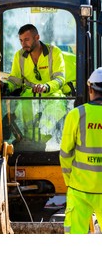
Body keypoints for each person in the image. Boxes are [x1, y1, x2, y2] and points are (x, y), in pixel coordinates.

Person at [1, 24, 66, 144]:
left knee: (55, 110)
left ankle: (44, 144)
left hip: (52, 95)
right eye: (21, 40)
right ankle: (30, 146)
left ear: (37, 37)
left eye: (26, 40)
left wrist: (46, 87)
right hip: (29, 97)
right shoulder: (19, 56)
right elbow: (15, 80)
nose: (23, 44)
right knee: (21, 114)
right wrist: (5, 86)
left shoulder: (54, 52)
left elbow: (60, 79)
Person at [60, 68, 102, 234]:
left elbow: (65, 154)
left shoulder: (77, 114)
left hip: (80, 190)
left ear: (90, 89)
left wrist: (70, 181)